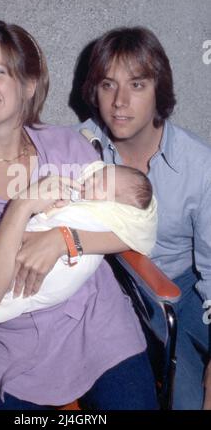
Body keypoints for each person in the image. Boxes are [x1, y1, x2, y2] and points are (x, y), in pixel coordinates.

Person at [0, 20, 158, 410]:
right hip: (10, 348)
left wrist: (66, 239)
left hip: (98, 329)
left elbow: (137, 225)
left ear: (29, 85)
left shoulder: (67, 146)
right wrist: (21, 207)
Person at [76, 26, 211, 410]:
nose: (119, 102)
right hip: (129, 292)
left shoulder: (200, 166)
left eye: (136, 85)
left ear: (159, 91)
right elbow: (10, 156)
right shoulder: (81, 147)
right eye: (107, 85)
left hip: (193, 288)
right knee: (183, 398)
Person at [0, 160, 157, 322]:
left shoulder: (102, 218)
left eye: (100, 184)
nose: (91, 180)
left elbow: (70, 222)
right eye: (94, 176)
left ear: (114, 205)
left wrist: (52, 222)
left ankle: (4, 299)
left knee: (21, 283)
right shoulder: (86, 201)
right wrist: (55, 208)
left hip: (60, 272)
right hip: (32, 253)